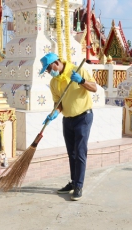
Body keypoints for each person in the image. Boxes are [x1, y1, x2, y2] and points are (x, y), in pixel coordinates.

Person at [40, 52, 97, 200]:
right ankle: (73, 182)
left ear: (57, 63)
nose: (48, 72)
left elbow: (94, 88)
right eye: (46, 70)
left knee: (79, 153)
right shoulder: (54, 82)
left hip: (83, 117)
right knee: (71, 153)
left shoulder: (77, 70)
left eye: (48, 68)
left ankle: (79, 185)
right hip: (68, 120)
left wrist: (81, 80)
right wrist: (54, 113)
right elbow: (58, 103)